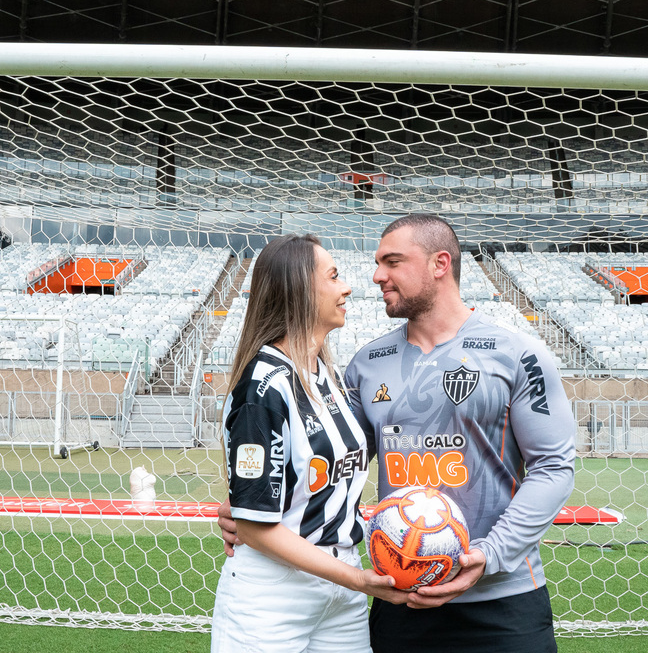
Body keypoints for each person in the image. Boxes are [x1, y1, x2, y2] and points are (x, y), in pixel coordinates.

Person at [219, 215, 576, 653]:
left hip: (503, 596)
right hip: (399, 593)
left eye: (392, 262)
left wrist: (490, 554)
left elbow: (554, 467)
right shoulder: (365, 365)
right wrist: (253, 507)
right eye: (376, 263)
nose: (375, 276)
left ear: (439, 263)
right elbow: (333, 457)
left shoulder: (519, 354)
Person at [211, 233, 408, 653]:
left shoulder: (329, 376)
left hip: (342, 589)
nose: (348, 287)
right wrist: (358, 580)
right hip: (274, 594)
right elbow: (254, 524)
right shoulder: (263, 386)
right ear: (299, 289)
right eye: (334, 276)